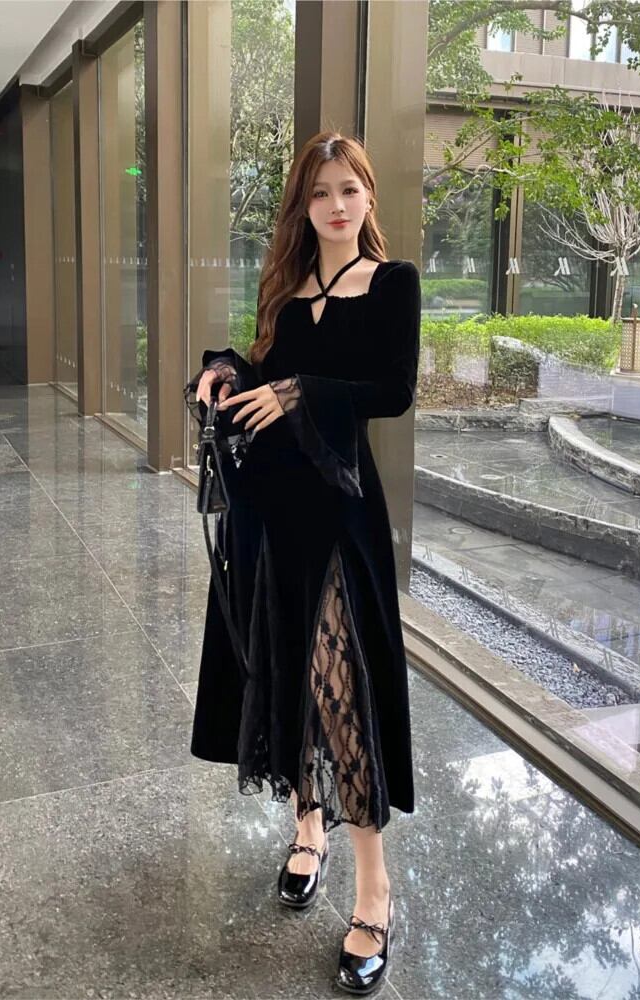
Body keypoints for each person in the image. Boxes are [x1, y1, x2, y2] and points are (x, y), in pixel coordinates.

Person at [183, 129, 420, 996]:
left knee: (340, 686)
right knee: (286, 674)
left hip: (341, 518)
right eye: (320, 193)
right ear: (303, 205)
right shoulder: (284, 288)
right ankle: (307, 830)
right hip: (272, 516)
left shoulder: (391, 283)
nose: (335, 205)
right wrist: (226, 369)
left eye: (348, 189)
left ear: (368, 196)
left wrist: (299, 393)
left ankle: (374, 890)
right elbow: (264, 368)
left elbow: (394, 391)